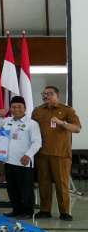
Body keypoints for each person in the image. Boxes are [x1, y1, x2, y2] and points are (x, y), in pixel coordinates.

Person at [32, 86, 82, 221]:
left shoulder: (67, 110)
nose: (46, 96)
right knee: (43, 184)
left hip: (60, 154)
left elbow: (77, 128)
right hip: (41, 154)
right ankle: (45, 210)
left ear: (57, 95)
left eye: (50, 93)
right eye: (44, 94)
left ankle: (65, 212)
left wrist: (61, 122)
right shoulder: (37, 111)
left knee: (62, 184)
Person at [0, 96, 41, 219]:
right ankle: (16, 210)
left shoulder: (32, 124)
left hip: (24, 162)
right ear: (11, 109)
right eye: (13, 107)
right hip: (8, 161)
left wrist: (28, 155)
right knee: (12, 189)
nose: (16, 109)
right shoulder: (7, 121)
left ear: (25, 108)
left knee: (26, 189)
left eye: (19, 107)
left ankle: (28, 212)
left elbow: (37, 142)